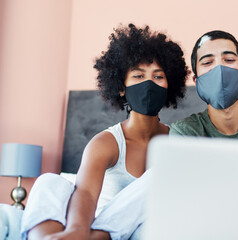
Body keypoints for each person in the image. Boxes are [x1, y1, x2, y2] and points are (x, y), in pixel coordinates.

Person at [20, 23, 188, 240]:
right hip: (90, 224)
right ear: (121, 86)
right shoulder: (106, 143)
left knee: (158, 177)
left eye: (158, 76)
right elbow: (86, 193)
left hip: (135, 232)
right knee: (49, 181)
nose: (149, 84)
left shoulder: (178, 141)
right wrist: (77, 229)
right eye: (138, 76)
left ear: (169, 85)